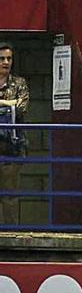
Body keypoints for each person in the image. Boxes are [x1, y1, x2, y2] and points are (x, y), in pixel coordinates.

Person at [0, 43, 28, 224]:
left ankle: (12, 235)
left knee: (9, 195)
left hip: (11, 146)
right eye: (2, 58)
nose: (6, 62)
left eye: (9, 58)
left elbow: (20, 110)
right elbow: (13, 107)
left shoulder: (19, 83)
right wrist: (7, 103)